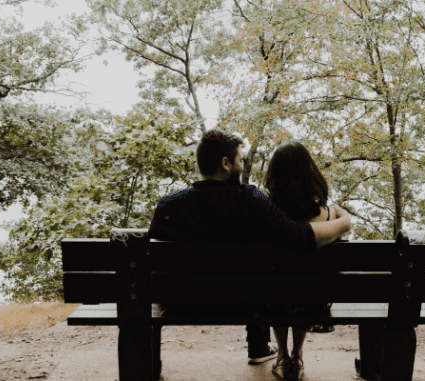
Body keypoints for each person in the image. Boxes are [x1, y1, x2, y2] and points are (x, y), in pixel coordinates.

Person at [148, 129, 351, 366]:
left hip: (176, 303)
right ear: (225, 164)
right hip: (243, 304)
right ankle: (259, 346)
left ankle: (150, 364)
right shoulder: (249, 201)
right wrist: (343, 222)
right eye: (240, 160)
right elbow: (301, 237)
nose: (242, 166)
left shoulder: (168, 207)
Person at [262, 141, 340, 380]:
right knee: (305, 289)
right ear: (310, 174)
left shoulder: (267, 214)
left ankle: (282, 357)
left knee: (276, 290)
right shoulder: (327, 215)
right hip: (313, 301)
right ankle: (297, 354)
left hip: (272, 299)